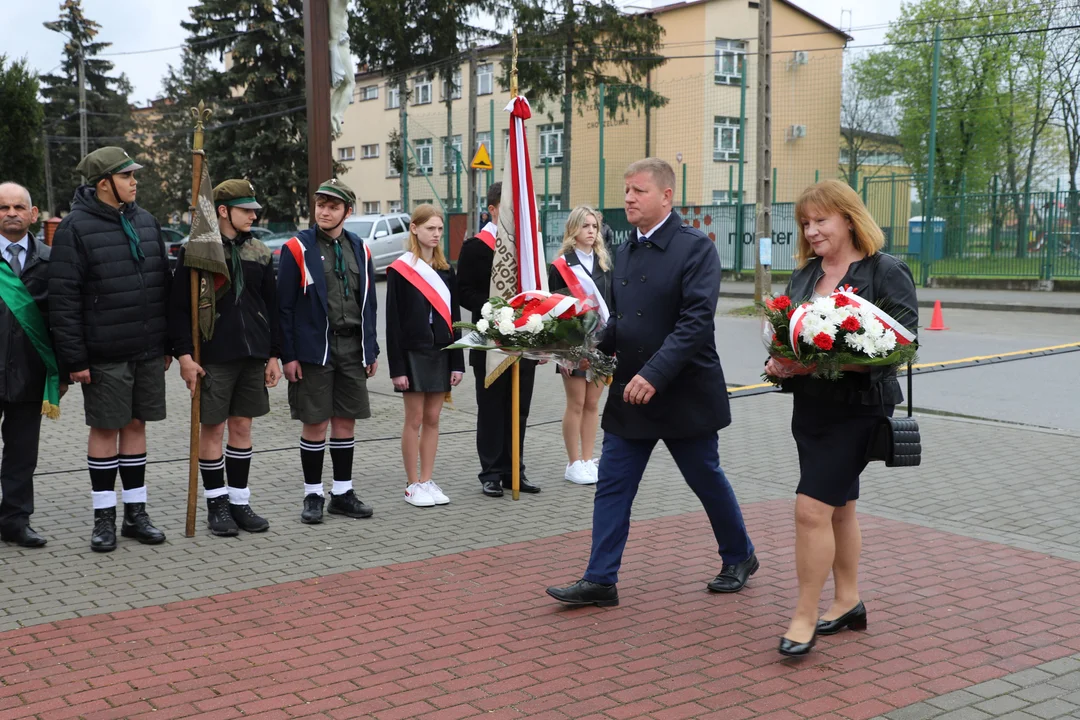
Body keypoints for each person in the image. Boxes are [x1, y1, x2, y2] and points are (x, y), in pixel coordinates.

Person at [546, 158, 758, 608]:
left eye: (638, 190)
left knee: (705, 477)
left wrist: (653, 375)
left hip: (683, 391)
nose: (627, 198)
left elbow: (694, 324)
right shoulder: (624, 251)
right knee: (614, 483)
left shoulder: (696, 248)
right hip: (631, 393)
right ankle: (600, 579)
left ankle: (740, 555)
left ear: (666, 196)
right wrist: (582, 353)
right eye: (626, 190)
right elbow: (620, 323)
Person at [766, 179, 918, 657]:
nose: (811, 231)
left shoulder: (884, 270)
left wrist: (827, 362)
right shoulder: (805, 277)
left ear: (848, 218)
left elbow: (902, 345)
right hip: (811, 406)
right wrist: (780, 361)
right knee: (841, 505)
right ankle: (849, 600)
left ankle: (805, 615)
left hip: (859, 406)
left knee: (811, 509)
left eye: (821, 221)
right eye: (805, 223)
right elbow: (790, 338)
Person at [49, 147, 171, 552]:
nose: (135, 182)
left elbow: (162, 287)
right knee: (104, 430)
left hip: (147, 350)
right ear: (104, 183)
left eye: (135, 175)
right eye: (127, 176)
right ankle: (105, 517)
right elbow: (63, 300)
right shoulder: (74, 228)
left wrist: (167, 343)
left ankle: (136, 513)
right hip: (103, 354)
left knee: (136, 426)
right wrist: (75, 359)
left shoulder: (148, 222)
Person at [170, 179, 282, 536]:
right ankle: (216, 505)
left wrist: (275, 354)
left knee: (242, 427)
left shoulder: (260, 252)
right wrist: (185, 356)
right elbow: (177, 311)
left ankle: (239, 501)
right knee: (213, 428)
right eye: (245, 209)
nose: (253, 214)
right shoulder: (195, 252)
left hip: (252, 355)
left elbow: (272, 306)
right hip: (213, 355)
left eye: (253, 209)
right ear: (222, 210)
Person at [278, 179, 379, 525]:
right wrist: (287, 355)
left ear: (347, 212)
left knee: (345, 421)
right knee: (315, 422)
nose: (324, 211)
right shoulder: (296, 249)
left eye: (333, 206)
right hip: (314, 349)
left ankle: (342, 493)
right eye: (320, 204)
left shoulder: (361, 249)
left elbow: (369, 303)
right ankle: (312, 495)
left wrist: (371, 349)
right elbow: (285, 308)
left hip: (352, 347)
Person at [456, 182, 541, 497]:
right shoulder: (476, 246)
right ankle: (490, 472)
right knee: (492, 407)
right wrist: (496, 308)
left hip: (523, 340)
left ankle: (513, 470)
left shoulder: (527, 248)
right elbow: (463, 290)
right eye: (508, 209)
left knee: (519, 409)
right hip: (490, 340)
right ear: (492, 209)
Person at [385, 205, 465, 507]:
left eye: (440, 229)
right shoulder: (400, 270)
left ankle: (427, 479)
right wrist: (397, 368)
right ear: (414, 229)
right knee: (415, 419)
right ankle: (412, 483)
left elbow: (455, 316)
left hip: (442, 350)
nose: (436, 234)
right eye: (430, 228)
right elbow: (392, 322)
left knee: (433, 418)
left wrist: (458, 362)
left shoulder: (446, 270)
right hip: (412, 353)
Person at [0, 183, 66, 548]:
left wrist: (65, 371)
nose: (11, 213)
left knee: (22, 454)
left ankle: (15, 520)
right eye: (4, 207)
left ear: (33, 213)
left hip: (29, 374)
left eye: (18, 206)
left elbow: (62, 318)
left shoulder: (51, 260)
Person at [547, 206, 612, 486]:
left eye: (594, 226)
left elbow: (612, 302)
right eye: (585, 226)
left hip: (603, 342)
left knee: (593, 404)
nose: (591, 231)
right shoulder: (561, 265)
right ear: (574, 229)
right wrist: (569, 349)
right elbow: (555, 310)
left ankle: (587, 459)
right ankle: (573, 462)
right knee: (576, 403)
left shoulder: (605, 262)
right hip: (573, 345)